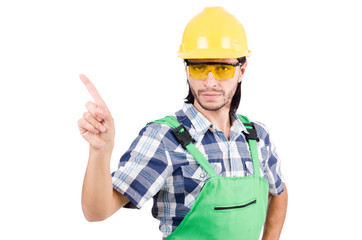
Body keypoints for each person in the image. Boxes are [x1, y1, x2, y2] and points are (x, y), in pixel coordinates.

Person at [78, 6, 288, 240]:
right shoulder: (164, 138)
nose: (209, 82)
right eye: (199, 67)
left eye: (222, 68)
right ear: (187, 70)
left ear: (242, 70)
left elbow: (278, 191)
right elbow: (96, 211)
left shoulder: (257, 137)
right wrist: (100, 151)